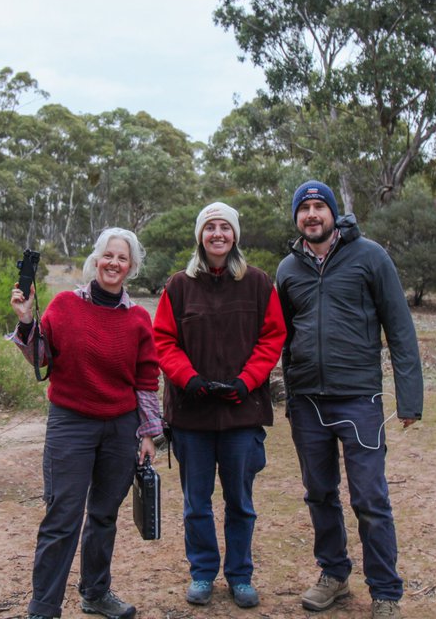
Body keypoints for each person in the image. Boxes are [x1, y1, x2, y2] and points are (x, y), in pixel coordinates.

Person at [275, 181, 424, 619]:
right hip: (307, 402)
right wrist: (286, 396)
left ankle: (385, 591)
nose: (312, 215)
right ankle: (334, 574)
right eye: (304, 209)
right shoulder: (287, 269)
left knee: (370, 497)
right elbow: (280, 338)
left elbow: (399, 328)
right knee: (319, 493)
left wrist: (409, 398)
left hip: (359, 399)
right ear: (297, 218)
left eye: (320, 206)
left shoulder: (371, 257)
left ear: (333, 213)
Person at [9, 228, 161, 619]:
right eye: (108, 255)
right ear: (96, 259)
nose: (114, 263)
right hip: (71, 423)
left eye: (122, 258)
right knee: (63, 516)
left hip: (120, 426)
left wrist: (149, 433)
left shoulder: (139, 318)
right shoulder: (63, 305)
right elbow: (40, 357)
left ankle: (95, 593)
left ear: (131, 268)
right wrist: (26, 320)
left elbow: (146, 378)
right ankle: (44, 607)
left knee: (104, 514)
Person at [153, 202, 286, 610]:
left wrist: (247, 381)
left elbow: (272, 338)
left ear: (234, 236)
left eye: (224, 227)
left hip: (241, 412)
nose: (217, 234)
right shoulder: (178, 286)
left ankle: (240, 575)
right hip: (191, 413)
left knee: (240, 502)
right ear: (200, 236)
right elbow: (163, 340)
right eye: (209, 227)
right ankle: (203, 572)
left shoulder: (260, 283)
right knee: (196, 502)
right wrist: (188, 379)